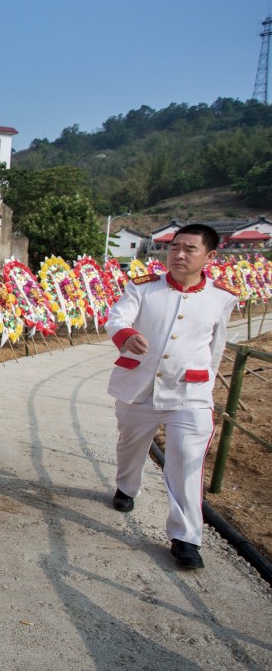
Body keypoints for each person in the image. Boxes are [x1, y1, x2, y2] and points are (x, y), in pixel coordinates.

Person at [104, 224, 238, 570]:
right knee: (130, 447)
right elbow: (117, 317)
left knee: (186, 464)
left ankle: (186, 537)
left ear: (210, 257)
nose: (178, 254)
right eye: (174, 247)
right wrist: (126, 335)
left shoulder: (221, 299)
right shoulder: (144, 288)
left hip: (189, 395)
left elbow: (215, 350)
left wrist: (203, 388)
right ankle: (126, 487)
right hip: (140, 389)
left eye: (189, 249)